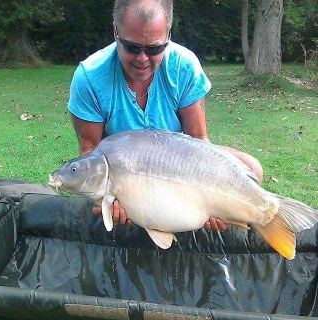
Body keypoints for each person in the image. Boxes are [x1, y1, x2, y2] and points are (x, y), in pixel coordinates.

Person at [68, 0, 263, 232]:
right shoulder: (90, 77)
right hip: (125, 171)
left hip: (175, 163)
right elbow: (90, 153)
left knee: (251, 168)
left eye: (154, 49)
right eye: (131, 47)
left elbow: (199, 142)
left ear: (167, 35)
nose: (142, 59)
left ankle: (243, 212)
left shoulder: (183, 66)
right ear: (115, 32)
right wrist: (108, 200)